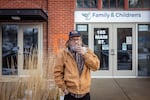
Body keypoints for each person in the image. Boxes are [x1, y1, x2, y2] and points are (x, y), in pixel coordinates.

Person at [54, 30, 100, 100]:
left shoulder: (88, 51)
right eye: (73, 40)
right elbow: (57, 73)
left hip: (85, 94)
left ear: (81, 41)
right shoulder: (63, 53)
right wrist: (64, 89)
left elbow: (96, 66)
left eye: (78, 39)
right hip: (70, 94)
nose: (76, 42)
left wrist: (85, 54)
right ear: (69, 41)